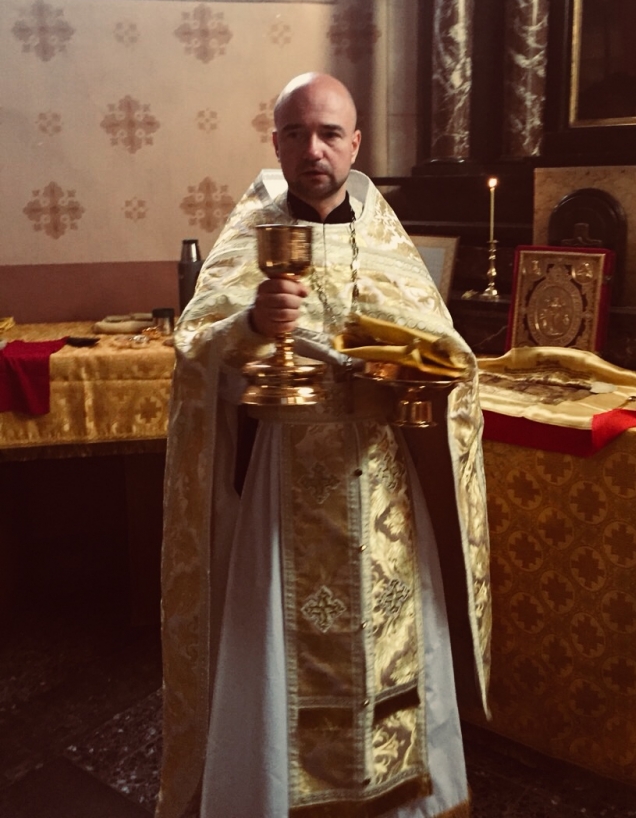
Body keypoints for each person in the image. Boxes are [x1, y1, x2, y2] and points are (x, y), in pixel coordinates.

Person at [156, 72, 491, 818]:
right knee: (279, 645)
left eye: (329, 133)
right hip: (286, 481)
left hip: (381, 481)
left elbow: (453, 356)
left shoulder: (387, 240)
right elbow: (194, 355)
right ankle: (272, 793)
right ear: (275, 142)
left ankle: (401, 796)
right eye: (296, 133)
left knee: (394, 636)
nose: (314, 148)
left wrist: (417, 368)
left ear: (355, 143)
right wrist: (248, 326)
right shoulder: (248, 238)